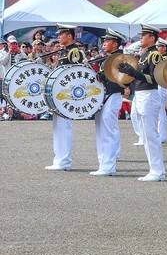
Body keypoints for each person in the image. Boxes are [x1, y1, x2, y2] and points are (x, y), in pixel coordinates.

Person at [118, 24, 165, 182]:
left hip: (149, 94)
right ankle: (154, 169)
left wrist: (134, 72)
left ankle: (158, 171)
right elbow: (139, 76)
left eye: (144, 35)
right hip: (140, 94)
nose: (141, 37)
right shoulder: (144, 55)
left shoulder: (154, 55)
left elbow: (155, 78)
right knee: (145, 135)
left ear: (152, 38)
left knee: (151, 134)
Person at [45, 24, 86, 171]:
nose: (58, 37)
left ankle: (65, 161)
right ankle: (59, 159)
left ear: (69, 36)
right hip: (59, 95)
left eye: (61, 34)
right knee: (58, 127)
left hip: (67, 96)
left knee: (64, 127)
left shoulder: (74, 51)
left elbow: (79, 74)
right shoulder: (65, 51)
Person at [91, 28, 127, 176]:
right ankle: (103, 164)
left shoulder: (119, 58)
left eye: (108, 41)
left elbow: (121, 78)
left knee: (108, 131)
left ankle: (109, 166)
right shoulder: (107, 57)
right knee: (101, 130)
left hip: (112, 94)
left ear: (115, 43)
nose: (104, 43)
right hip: (104, 95)